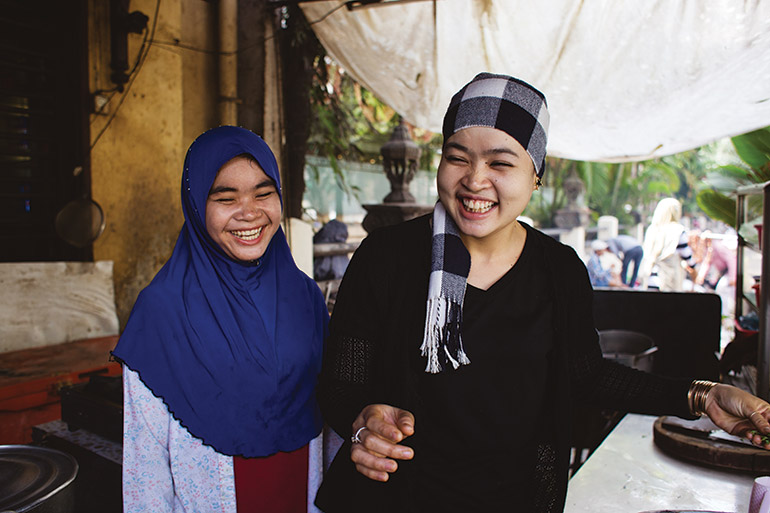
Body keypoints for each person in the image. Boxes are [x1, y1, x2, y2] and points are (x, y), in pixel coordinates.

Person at [313, 73, 770, 513]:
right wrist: (362, 422)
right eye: (457, 157)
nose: (474, 180)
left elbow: (587, 376)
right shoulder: (387, 258)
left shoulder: (558, 270)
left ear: (536, 175)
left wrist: (703, 398)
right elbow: (339, 383)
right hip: (395, 500)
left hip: (511, 500)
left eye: (500, 163)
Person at [112, 126, 329, 512]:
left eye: (264, 193)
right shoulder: (162, 310)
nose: (249, 213)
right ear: (196, 206)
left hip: (299, 496)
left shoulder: (305, 298)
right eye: (226, 199)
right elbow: (145, 466)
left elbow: (330, 418)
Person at [638, 197, 698, 291]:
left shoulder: (652, 230)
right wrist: (695, 272)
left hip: (649, 279)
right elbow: (688, 257)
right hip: (667, 282)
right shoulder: (678, 231)